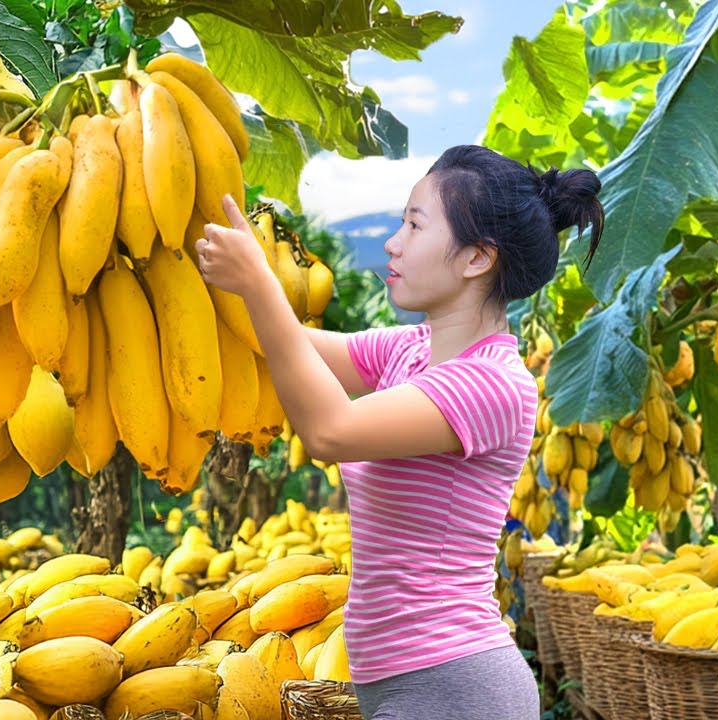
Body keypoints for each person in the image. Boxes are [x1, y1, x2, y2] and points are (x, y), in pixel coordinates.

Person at [194, 144, 604, 720]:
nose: (393, 243)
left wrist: (260, 283)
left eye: (414, 225)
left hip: (456, 685)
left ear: (475, 259)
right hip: (401, 681)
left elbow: (331, 431)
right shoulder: (409, 351)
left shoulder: (493, 385)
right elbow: (285, 344)